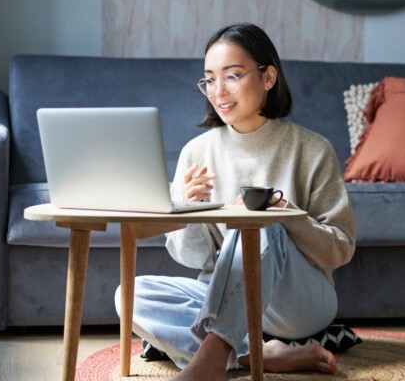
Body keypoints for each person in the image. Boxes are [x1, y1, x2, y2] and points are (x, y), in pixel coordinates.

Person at [115, 23, 356, 380]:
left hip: (296, 304)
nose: (218, 91)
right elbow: (192, 259)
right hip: (221, 298)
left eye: (232, 76)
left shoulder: (313, 149)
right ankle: (254, 355)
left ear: (268, 77)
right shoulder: (196, 152)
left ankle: (211, 361)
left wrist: (289, 218)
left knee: (260, 226)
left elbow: (341, 249)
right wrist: (185, 209)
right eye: (209, 79)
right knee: (130, 295)